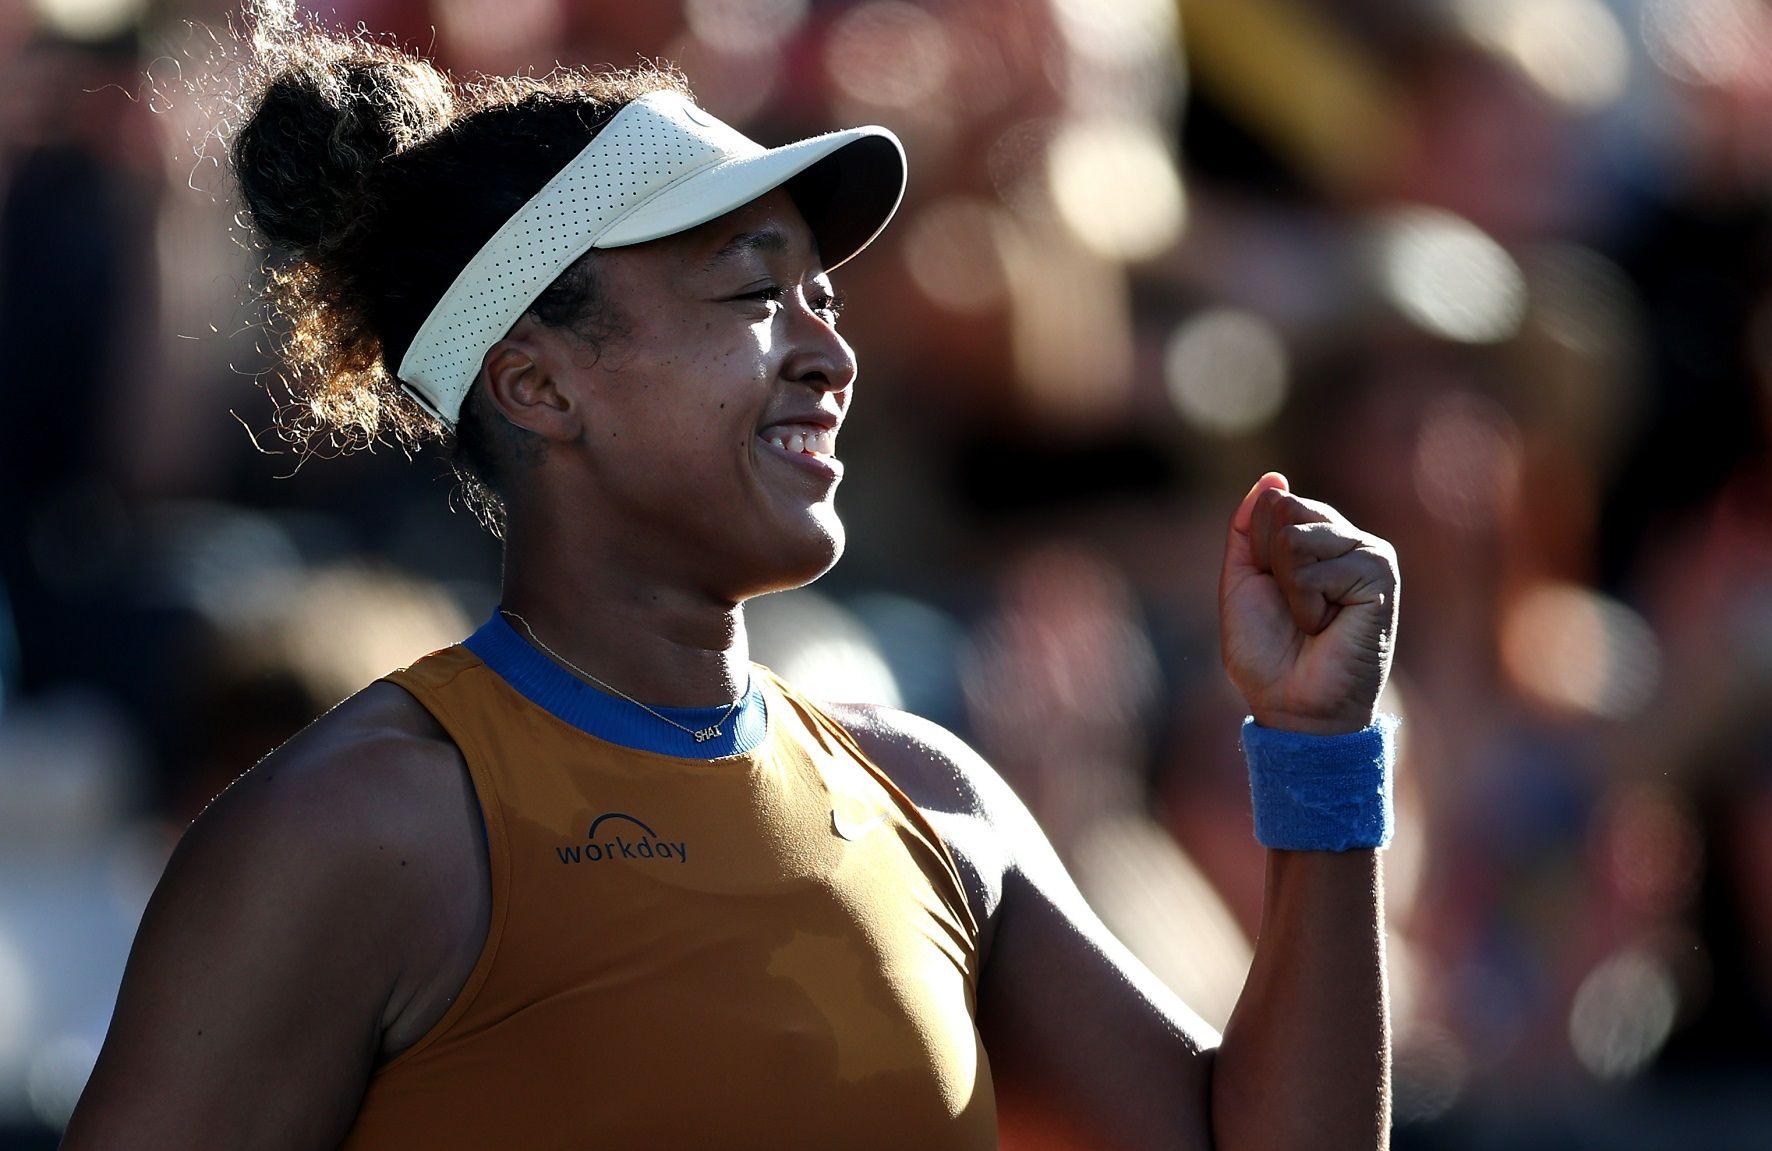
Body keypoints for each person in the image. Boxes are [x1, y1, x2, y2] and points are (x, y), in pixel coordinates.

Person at [60, 12, 1402, 1150]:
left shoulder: (936, 797)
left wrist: (1316, 751)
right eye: (754, 291)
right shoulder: (351, 828)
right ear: (540, 380)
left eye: (823, 295)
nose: (830, 350)